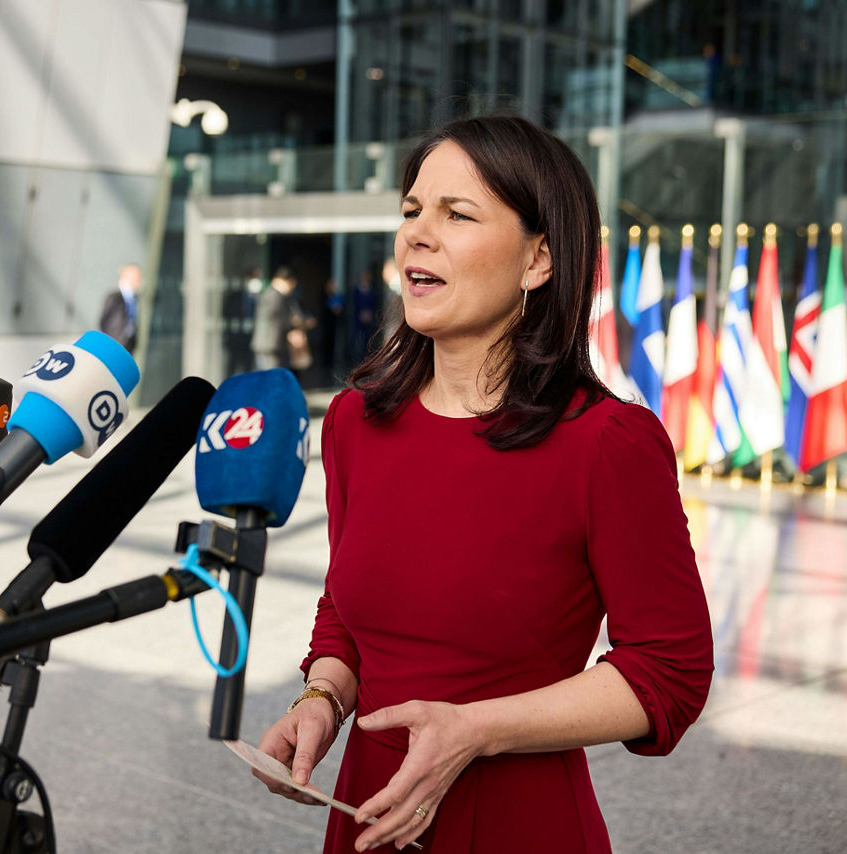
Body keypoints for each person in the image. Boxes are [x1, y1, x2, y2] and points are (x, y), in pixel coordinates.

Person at [252, 114, 713, 853]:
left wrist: (478, 730)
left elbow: (671, 671)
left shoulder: (607, 444)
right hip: (367, 821)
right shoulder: (354, 423)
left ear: (539, 260)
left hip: (520, 825)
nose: (417, 235)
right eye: (411, 211)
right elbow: (345, 607)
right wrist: (324, 698)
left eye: (456, 214)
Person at [251, 266, 301, 371]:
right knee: (269, 379)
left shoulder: (271, 294)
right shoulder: (274, 296)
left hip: (269, 346)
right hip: (269, 347)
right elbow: (279, 320)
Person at [98, 263, 142, 352]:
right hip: (113, 346)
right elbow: (104, 321)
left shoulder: (135, 299)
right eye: (136, 277)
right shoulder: (114, 297)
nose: (139, 281)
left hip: (128, 348)